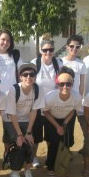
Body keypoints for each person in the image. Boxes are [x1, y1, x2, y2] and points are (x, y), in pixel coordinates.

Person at [4, 63, 45, 177]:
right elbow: (12, 114)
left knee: (31, 142)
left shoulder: (38, 89)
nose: (29, 77)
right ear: (20, 77)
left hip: (27, 119)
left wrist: (28, 132)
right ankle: (14, 173)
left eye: (32, 74)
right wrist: (20, 134)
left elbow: (34, 111)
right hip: (11, 120)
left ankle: (27, 170)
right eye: (25, 75)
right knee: (19, 144)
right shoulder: (13, 90)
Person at [42, 67, 82, 177]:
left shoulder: (77, 97)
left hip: (66, 119)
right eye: (61, 84)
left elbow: (73, 110)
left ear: (72, 84)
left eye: (68, 84)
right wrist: (57, 126)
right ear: (57, 84)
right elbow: (45, 111)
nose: (65, 87)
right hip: (52, 119)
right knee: (54, 144)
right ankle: (50, 168)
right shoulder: (50, 97)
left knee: (66, 143)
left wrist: (64, 124)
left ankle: (62, 167)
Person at [30, 34, 63, 168]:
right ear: (40, 50)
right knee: (35, 134)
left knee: (51, 134)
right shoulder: (34, 63)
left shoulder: (59, 63)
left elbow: (62, 82)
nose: (48, 53)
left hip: (52, 106)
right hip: (37, 106)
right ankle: (33, 157)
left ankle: (51, 157)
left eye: (51, 50)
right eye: (45, 50)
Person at [62, 35, 87, 148]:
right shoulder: (60, 62)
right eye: (72, 46)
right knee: (59, 125)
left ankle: (66, 151)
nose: (74, 49)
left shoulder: (81, 64)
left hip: (73, 100)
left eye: (77, 47)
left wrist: (80, 100)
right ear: (67, 47)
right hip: (61, 99)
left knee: (69, 127)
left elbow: (82, 84)